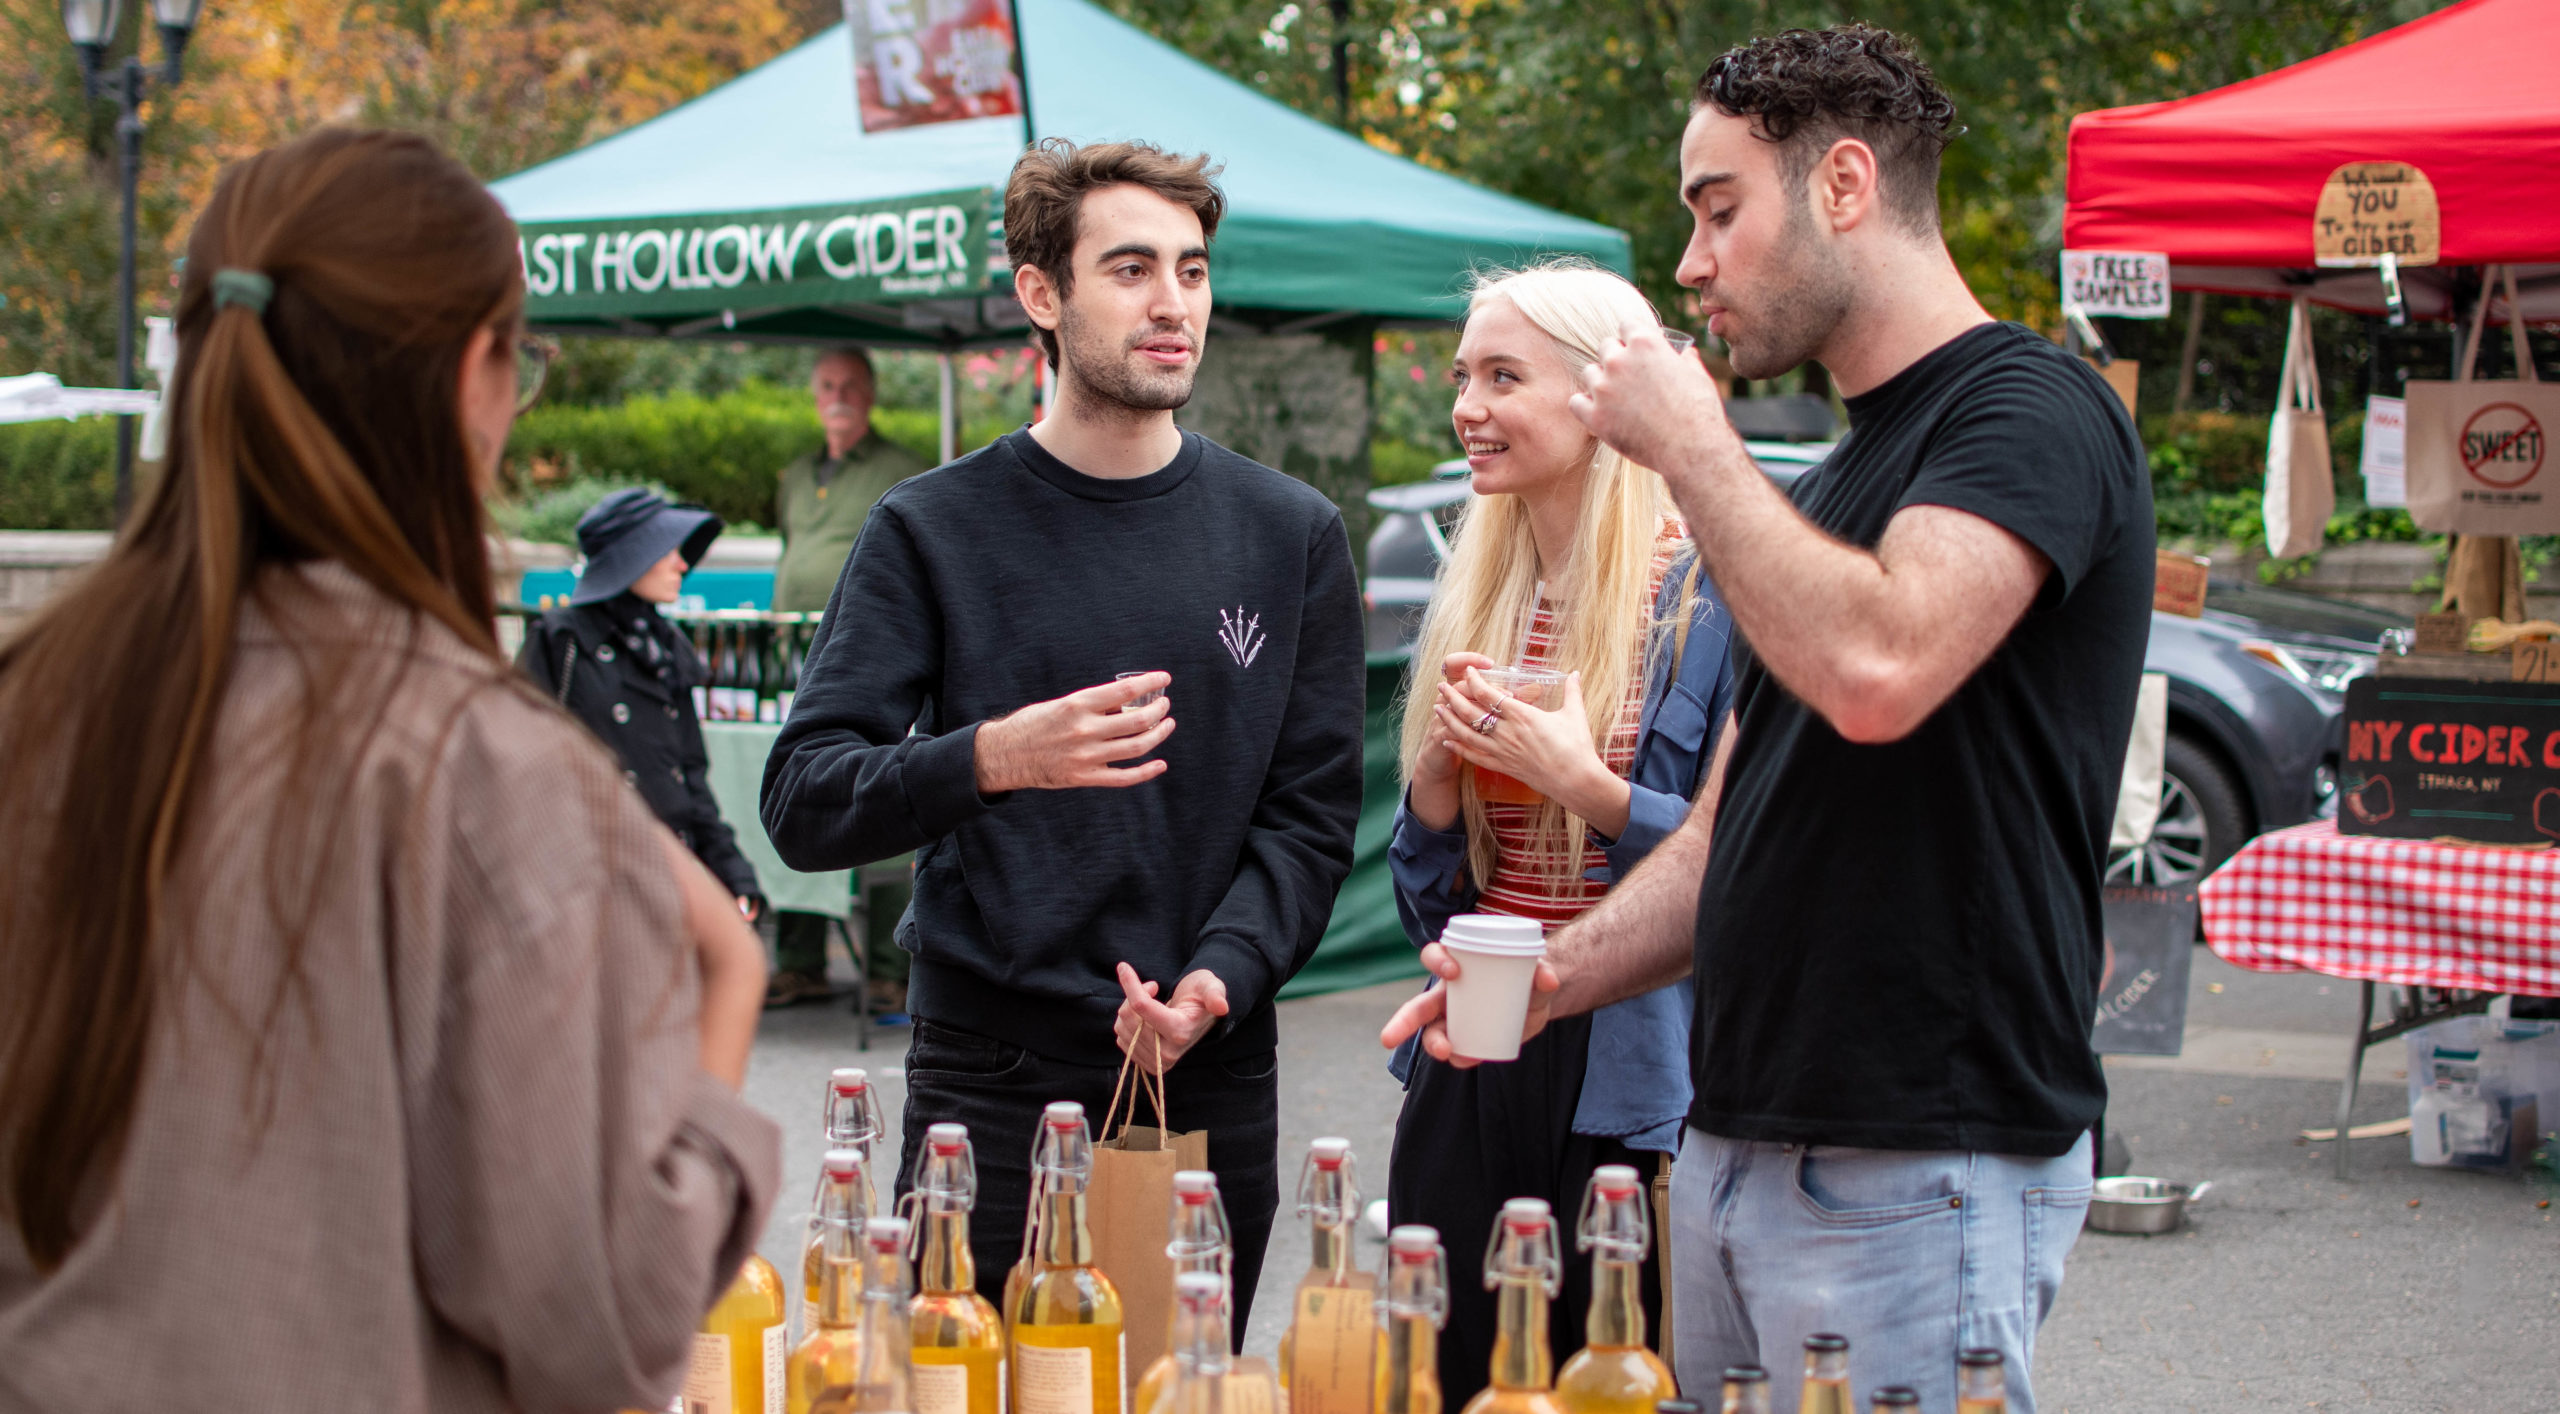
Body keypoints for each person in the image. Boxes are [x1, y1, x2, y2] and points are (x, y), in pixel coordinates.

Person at [1384, 27, 2152, 1414]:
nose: (1690, 264)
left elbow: (1882, 666)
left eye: (1718, 207)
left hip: (1919, 1154)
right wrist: (1554, 975)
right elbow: (1732, 832)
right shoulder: (1847, 475)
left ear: (1844, 184)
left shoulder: (2029, 408)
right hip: (1737, 1141)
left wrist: (1690, 444)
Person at [0, 130, 778, 1411]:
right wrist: (731, 983)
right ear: (476, 370)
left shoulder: (34, 699)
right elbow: (608, 1312)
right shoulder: (478, 766)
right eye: (519, 364)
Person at [762, 138, 1365, 1330]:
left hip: (1205, 1066)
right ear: (1042, 294)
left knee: (1179, 1399)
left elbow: (1307, 819)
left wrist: (1219, 979)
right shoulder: (931, 528)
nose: (1171, 304)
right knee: (958, 1386)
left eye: (1190, 271)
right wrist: (991, 757)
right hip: (988, 1073)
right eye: (1130, 269)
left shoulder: (1287, 533)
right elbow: (803, 798)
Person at [1383, 261, 1733, 1407]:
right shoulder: (1479, 586)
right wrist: (1433, 790)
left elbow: (1738, 865)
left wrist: (1590, 788)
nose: (1465, 406)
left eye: (1501, 377)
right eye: (1461, 376)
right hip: (1479, 1038)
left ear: (1597, 396)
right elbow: (1434, 905)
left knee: (1606, 1372)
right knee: (1441, 1370)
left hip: (1631, 1058)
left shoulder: (1700, 597)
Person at [768, 347, 929, 1010]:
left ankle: (890, 972)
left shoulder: (900, 472)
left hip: (865, 656)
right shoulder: (795, 474)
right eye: (826, 385)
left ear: (870, 394)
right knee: (800, 797)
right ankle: (799, 962)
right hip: (788, 659)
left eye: (849, 386)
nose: (837, 395)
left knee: (880, 796)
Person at [519, 487, 763, 912]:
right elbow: (524, 768)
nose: (682, 565)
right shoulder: (562, 641)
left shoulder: (668, 647)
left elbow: (688, 776)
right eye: (667, 549)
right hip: (587, 879)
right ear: (630, 557)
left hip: (668, 873)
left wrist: (732, 871)